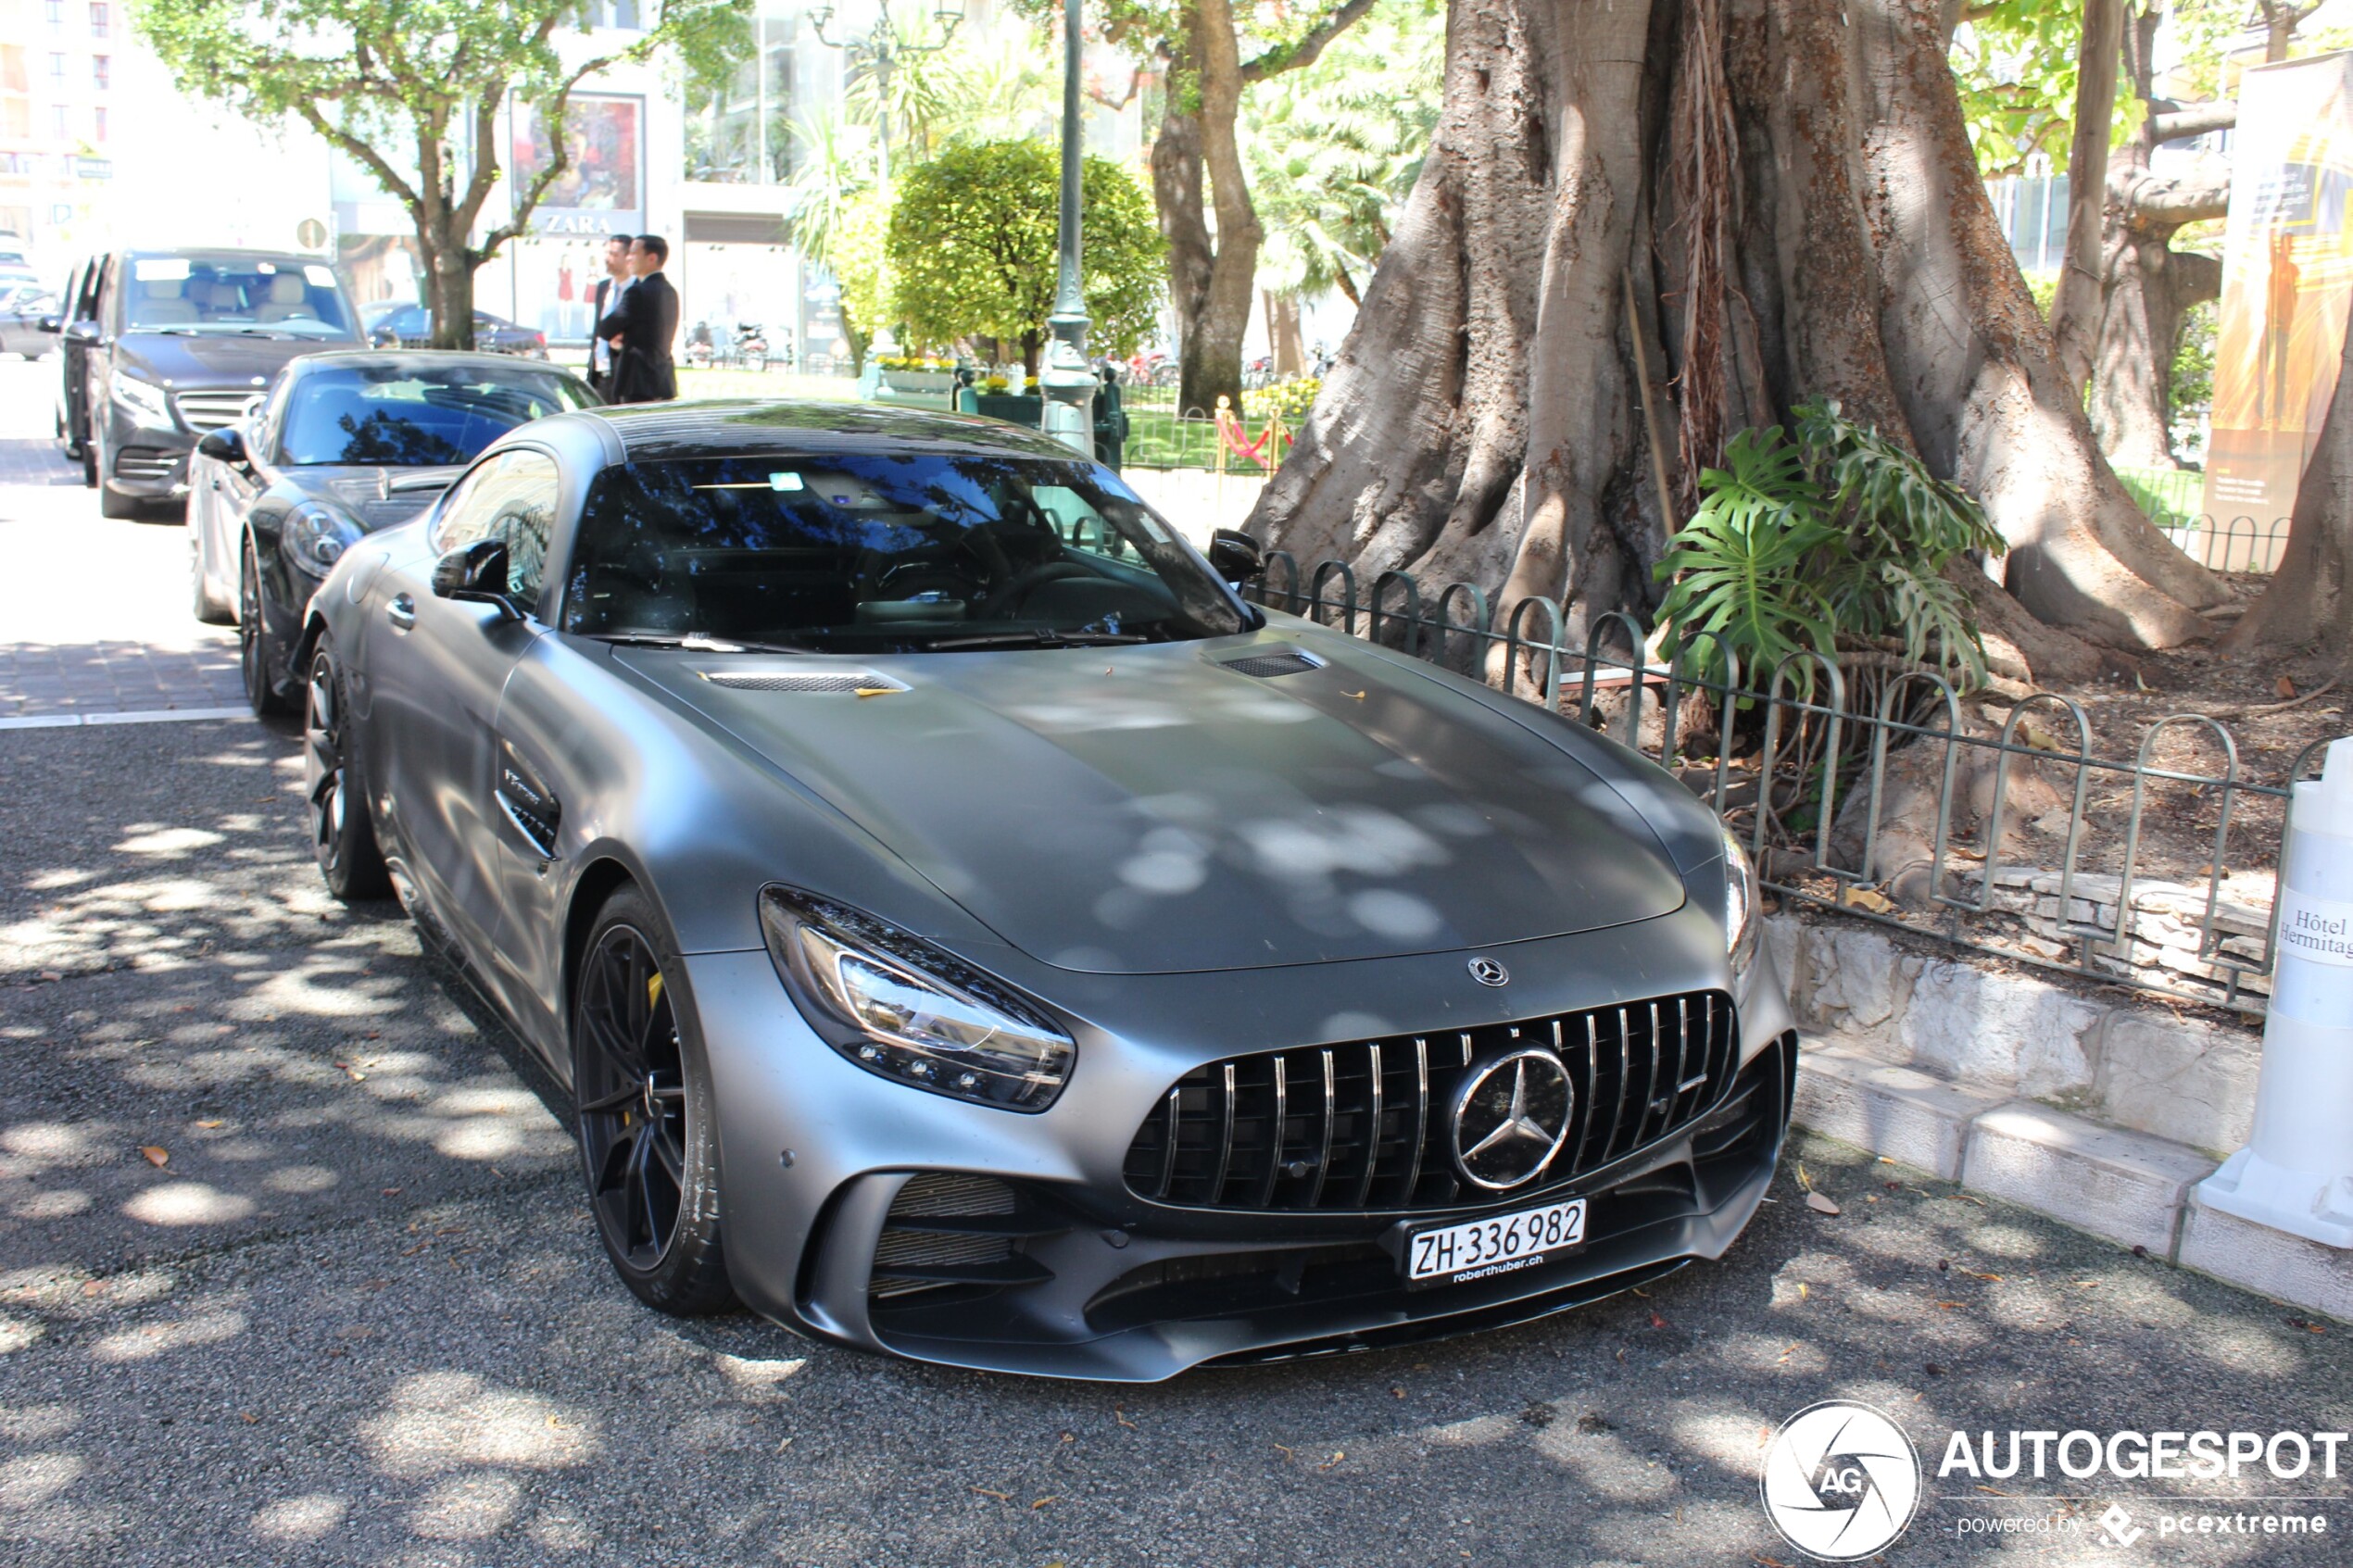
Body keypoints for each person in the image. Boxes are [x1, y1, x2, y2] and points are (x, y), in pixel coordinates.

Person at [598, 233, 678, 405]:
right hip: (662, 381)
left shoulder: (637, 292)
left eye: (634, 253)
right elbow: (653, 333)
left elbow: (606, 329)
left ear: (651, 258)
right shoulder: (669, 291)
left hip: (636, 383)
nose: (629, 258)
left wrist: (622, 338)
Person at [585, 233, 632, 395]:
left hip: (624, 376)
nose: (607, 258)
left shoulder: (638, 291)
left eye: (614, 254)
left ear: (628, 258)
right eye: (606, 253)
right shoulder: (603, 288)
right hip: (599, 374)